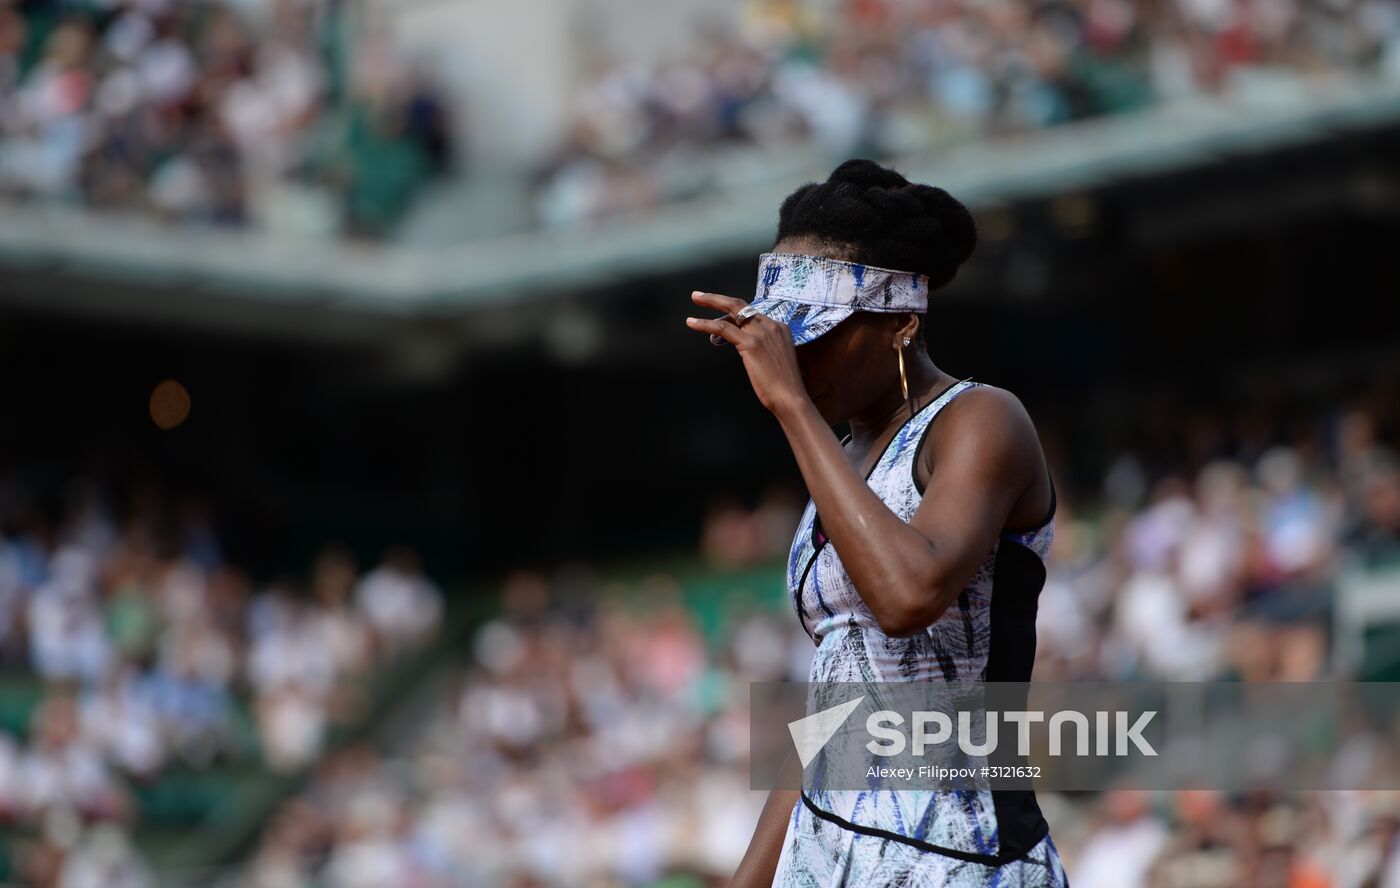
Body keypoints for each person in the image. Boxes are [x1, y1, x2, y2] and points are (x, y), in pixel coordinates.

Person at [685, 159, 1067, 886]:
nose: (793, 362)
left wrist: (792, 410)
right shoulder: (842, 454)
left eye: (814, 337)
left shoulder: (980, 421)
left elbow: (908, 596)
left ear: (899, 321)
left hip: (958, 859)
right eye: (780, 342)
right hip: (827, 858)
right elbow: (836, 709)